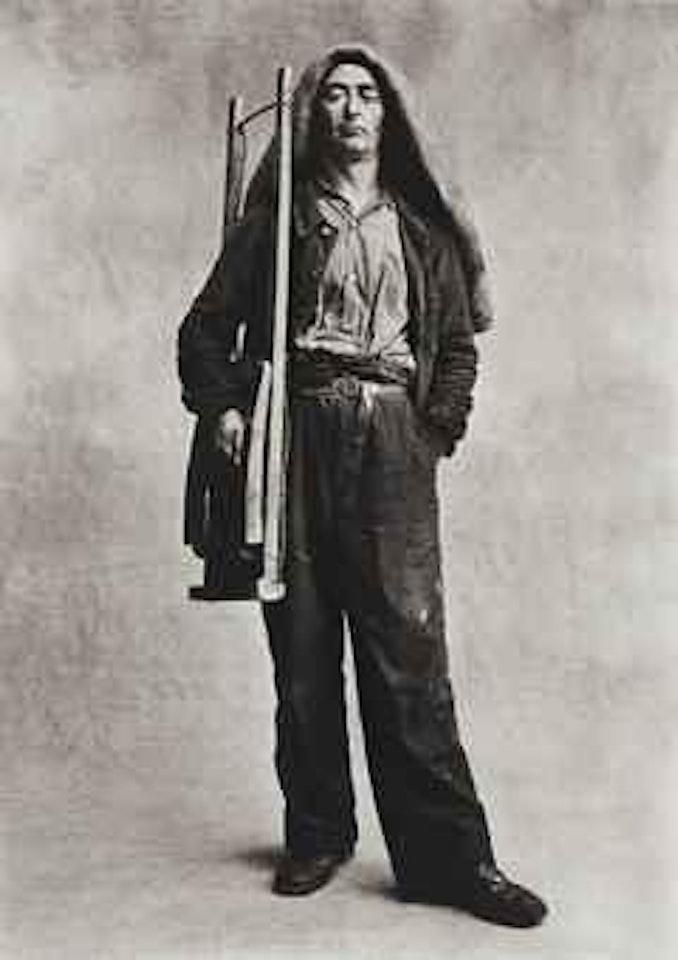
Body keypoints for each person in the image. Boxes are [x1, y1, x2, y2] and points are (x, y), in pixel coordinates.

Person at [178, 45, 547, 928]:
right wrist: (225, 405)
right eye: (335, 95)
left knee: (409, 658)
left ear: (389, 115)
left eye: (366, 95)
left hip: (392, 444)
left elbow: (456, 350)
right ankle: (317, 834)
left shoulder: (421, 233)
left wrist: (432, 429)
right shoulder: (278, 228)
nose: (349, 108)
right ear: (314, 115)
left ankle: (451, 861)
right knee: (303, 650)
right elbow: (204, 329)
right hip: (298, 437)